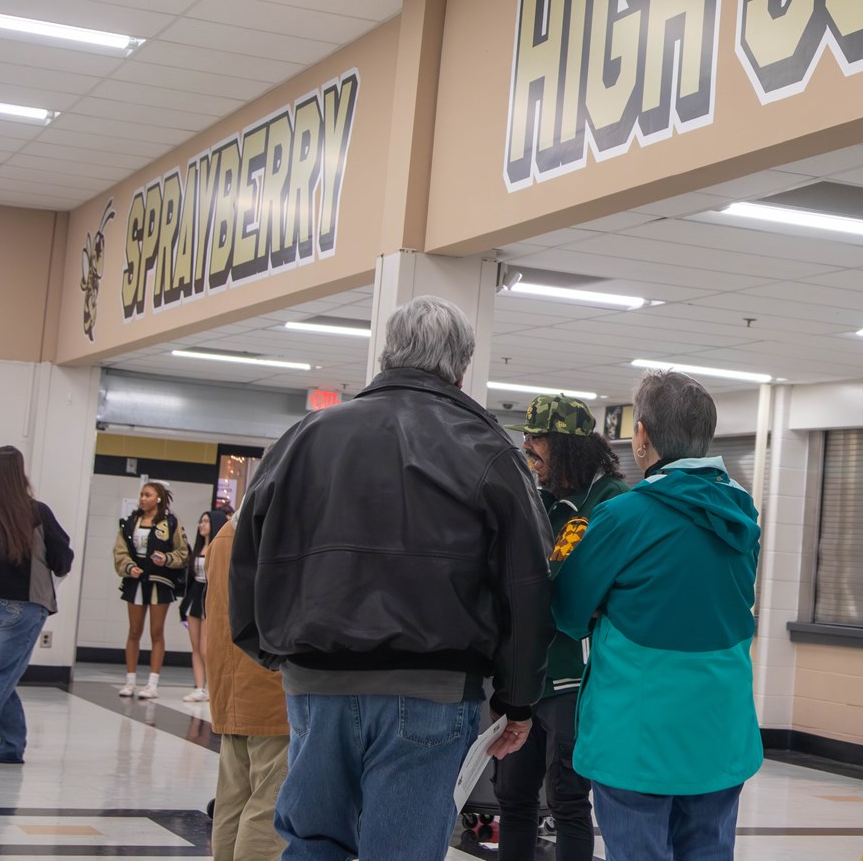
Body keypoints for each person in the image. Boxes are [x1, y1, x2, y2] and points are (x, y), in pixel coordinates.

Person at [228, 295, 557, 861]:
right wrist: (517, 699)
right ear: (460, 367)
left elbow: (248, 553)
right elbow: (527, 585)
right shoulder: (487, 449)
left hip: (315, 685)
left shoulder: (306, 438)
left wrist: (274, 651)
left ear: (387, 354)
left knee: (312, 842)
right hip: (430, 691)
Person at [554, 370, 762, 861]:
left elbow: (566, 609)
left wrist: (606, 601)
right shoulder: (742, 515)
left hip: (638, 735)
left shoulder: (624, 516)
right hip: (719, 731)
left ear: (642, 434)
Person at [495, 394, 628, 861]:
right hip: (526, 674)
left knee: (568, 801)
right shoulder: (536, 499)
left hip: (577, 677)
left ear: (570, 446)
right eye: (526, 439)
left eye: (538, 440)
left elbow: (598, 589)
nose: (529, 450)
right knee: (513, 797)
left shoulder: (611, 501)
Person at [205, 501, 288, 861]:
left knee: (232, 800)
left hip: (230, 682)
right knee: (270, 805)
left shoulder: (226, 532)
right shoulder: (274, 530)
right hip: (271, 685)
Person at [0, 445, 74, 765]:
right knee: (1, 674)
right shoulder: (37, 512)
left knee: (1, 674)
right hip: (23, 607)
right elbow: (62, 557)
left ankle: (12, 746)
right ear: (20, 473)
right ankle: (11, 746)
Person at [114, 480, 189, 700]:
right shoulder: (130, 523)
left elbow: (183, 552)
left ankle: (153, 683)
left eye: (147, 495)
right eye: (141, 495)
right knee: (134, 631)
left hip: (160, 582)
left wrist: (166, 559)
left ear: (158, 498)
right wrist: (129, 566)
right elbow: (120, 551)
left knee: (156, 632)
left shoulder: (171, 523)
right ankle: (130, 680)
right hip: (135, 581)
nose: (142, 499)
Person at [179, 510, 229, 704]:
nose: (202, 525)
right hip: (194, 597)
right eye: (201, 521)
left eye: (206, 521)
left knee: (206, 647)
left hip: (211, 596)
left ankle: (212, 686)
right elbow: (191, 578)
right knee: (195, 647)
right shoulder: (197, 549)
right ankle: (199, 687)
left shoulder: (218, 548)